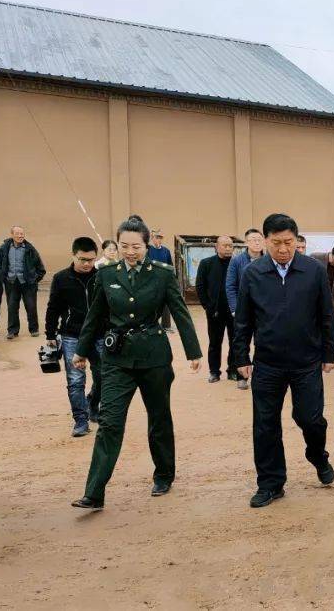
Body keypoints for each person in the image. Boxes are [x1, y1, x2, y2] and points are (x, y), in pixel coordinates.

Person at [70, 215, 202, 510]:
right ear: (117, 245)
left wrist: (193, 351)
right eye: (125, 246)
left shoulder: (162, 273)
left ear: (146, 246)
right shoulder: (106, 275)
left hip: (154, 357)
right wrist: (80, 350)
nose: (130, 252)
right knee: (109, 423)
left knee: (159, 419)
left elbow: (179, 312)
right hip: (117, 359)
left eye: (136, 247)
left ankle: (164, 474)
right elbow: (94, 317)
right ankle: (94, 492)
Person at [233, 213, 334, 508]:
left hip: (307, 362)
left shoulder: (313, 270)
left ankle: (318, 456)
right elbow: (243, 320)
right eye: (276, 243)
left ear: (297, 241)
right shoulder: (253, 274)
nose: (282, 249)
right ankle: (270, 483)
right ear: (265, 241)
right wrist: (241, 356)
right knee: (265, 425)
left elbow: (327, 315)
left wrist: (329, 353)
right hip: (268, 363)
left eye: (288, 243)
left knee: (310, 418)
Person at [45, 237, 104, 437]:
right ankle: (80, 420)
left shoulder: (102, 276)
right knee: (76, 380)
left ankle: (93, 403)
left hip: (100, 335)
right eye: (83, 259)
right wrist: (50, 334)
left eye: (91, 260)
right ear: (73, 255)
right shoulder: (61, 278)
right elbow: (53, 308)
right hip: (72, 336)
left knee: (104, 375)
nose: (87, 264)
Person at [226, 228, 264, 390]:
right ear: (246, 242)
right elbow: (230, 286)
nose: (256, 242)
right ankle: (242, 376)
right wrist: (235, 309)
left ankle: (262, 375)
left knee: (263, 343)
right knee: (242, 342)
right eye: (253, 239)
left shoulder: (269, 260)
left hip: (264, 310)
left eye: (259, 239)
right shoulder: (237, 261)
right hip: (244, 310)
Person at [196, 235, 237, 384]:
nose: (228, 248)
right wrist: (207, 305)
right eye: (225, 245)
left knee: (235, 341)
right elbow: (200, 287)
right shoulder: (206, 264)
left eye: (230, 246)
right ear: (216, 247)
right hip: (215, 312)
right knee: (214, 342)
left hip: (234, 311)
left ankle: (232, 370)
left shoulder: (236, 263)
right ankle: (214, 372)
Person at [0, 225, 47, 340]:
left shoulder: (30, 249)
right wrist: (2, 276)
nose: (20, 236)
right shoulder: (5, 248)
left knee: (31, 307)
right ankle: (12, 331)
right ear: (12, 234)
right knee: (12, 307)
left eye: (22, 234)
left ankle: (34, 329)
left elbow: (40, 268)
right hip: (11, 282)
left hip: (28, 284)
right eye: (17, 233)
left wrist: (34, 279)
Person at [147, 228, 175, 333]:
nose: (158, 239)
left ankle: (166, 326)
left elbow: (170, 266)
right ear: (152, 238)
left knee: (166, 304)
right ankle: (151, 324)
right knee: (152, 303)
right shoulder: (148, 250)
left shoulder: (166, 251)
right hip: (152, 281)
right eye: (156, 237)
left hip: (164, 281)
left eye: (160, 237)